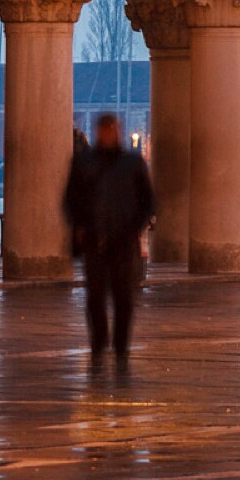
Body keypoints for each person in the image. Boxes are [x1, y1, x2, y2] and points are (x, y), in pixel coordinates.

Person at [63, 113, 155, 359]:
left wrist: (136, 226)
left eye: (111, 129)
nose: (107, 134)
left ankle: (121, 345)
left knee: (124, 298)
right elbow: (70, 199)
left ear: (118, 131)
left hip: (124, 241)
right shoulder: (83, 163)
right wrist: (80, 226)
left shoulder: (132, 164)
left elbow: (148, 200)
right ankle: (99, 341)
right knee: (95, 298)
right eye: (104, 129)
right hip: (94, 239)